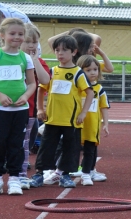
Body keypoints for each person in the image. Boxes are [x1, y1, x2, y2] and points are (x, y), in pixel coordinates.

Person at [30, 35, 94, 188]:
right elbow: (41, 90)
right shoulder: (52, 72)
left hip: (71, 120)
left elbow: (90, 92)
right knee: (46, 147)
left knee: (70, 148)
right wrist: (40, 108)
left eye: (64, 50)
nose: (60, 53)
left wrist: (83, 112)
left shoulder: (78, 73)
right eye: (57, 50)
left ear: (74, 52)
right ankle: (39, 174)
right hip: (52, 119)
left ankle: (65, 175)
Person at [0, 18, 37, 195]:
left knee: (16, 144)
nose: (17, 37)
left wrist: (25, 96)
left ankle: (14, 179)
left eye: (20, 34)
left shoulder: (25, 58)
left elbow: (32, 83)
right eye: (12, 34)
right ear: (2, 35)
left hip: (19, 110)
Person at [19, 23, 51, 190]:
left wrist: (35, 60)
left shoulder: (39, 61)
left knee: (27, 143)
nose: (31, 45)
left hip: (29, 111)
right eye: (28, 41)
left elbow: (45, 80)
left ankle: (21, 172)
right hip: (7, 109)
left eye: (35, 42)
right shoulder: (8, 57)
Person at [75, 55, 110, 186]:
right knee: (70, 148)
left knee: (90, 150)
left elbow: (104, 107)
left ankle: (87, 172)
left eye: (95, 69)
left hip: (92, 126)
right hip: (77, 124)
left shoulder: (99, 90)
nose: (93, 72)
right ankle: (61, 171)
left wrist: (105, 124)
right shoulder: (78, 88)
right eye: (88, 70)